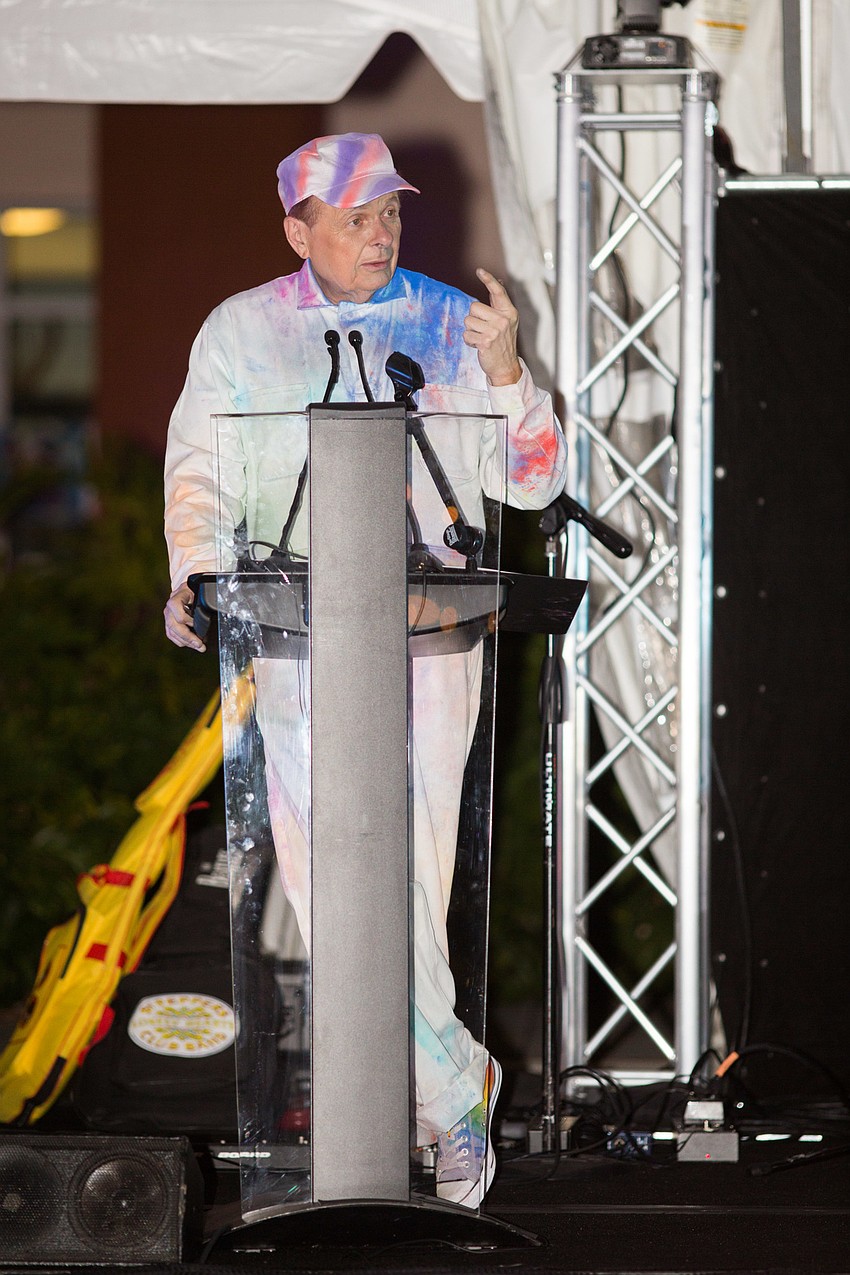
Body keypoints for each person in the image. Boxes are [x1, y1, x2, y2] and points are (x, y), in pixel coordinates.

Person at [163, 132, 567, 1208]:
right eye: (354, 218)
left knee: (410, 880)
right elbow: (199, 470)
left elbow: (530, 485)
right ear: (297, 231)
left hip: (427, 626)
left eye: (389, 211)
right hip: (294, 630)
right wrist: (196, 573)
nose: (380, 232)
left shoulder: (449, 321)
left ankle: (445, 1102)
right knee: (326, 883)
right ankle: (455, 1089)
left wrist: (506, 374)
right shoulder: (242, 328)